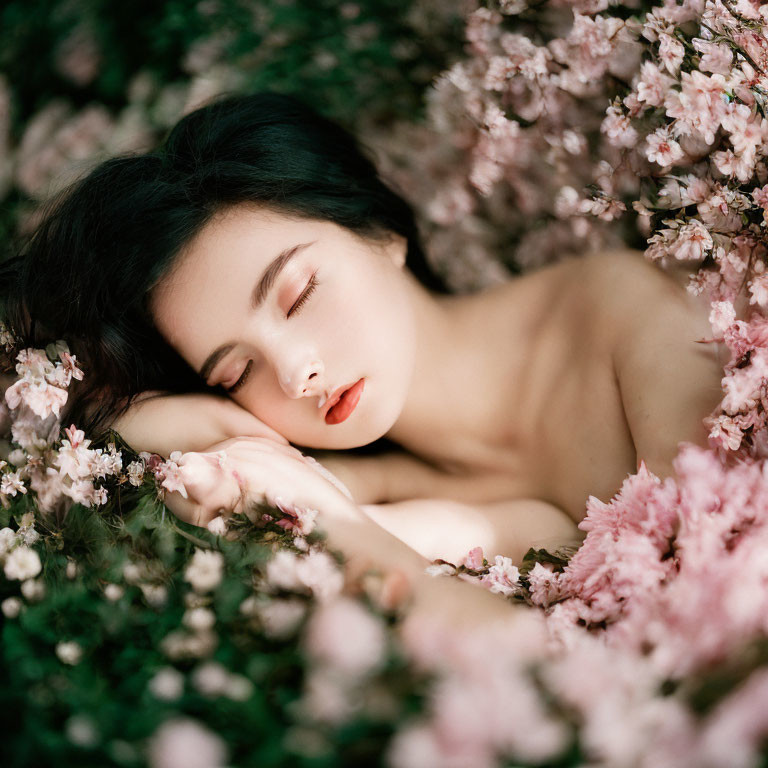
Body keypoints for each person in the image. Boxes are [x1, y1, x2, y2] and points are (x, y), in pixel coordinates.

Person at [0, 92, 728, 624]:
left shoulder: (615, 309)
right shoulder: (373, 490)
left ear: (380, 231)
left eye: (298, 293)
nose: (293, 372)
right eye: (236, 372)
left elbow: (713, 585)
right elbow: (142, 434)